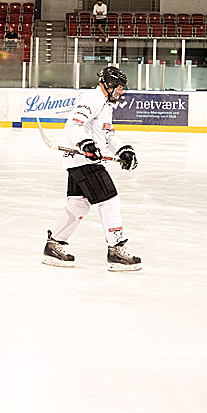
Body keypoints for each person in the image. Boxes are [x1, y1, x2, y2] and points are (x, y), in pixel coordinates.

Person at [42, 66, 142, 271]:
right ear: (109, 84)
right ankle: (116, 249)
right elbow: (72, 125)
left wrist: (122, 150)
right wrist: (86, 145)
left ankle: (54, 245)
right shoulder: (92, 98)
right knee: (110, 201)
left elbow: (108, 135)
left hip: (78, 162)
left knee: (78, 204)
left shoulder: (106, 105)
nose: (121, 92)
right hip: (84, 161)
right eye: (120, 88)